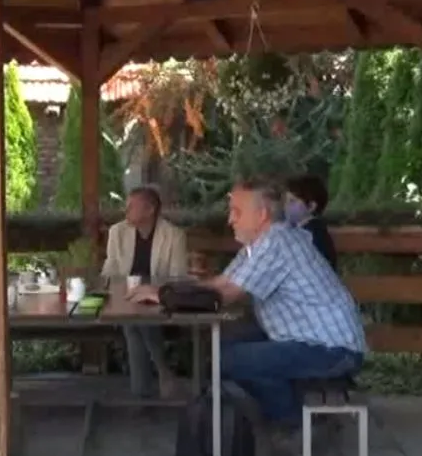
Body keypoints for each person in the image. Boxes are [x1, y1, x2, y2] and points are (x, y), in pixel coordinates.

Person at [128, 179, 366, 439]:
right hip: (305, 339)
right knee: (222, 345)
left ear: (261, 215)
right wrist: (165, 290)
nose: (230, 219)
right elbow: (221, 282)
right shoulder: (257, 246)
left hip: (330, 350)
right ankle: (278, 412)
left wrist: (161, 295)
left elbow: (223, 295)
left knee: (227, 359)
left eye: (236, 212)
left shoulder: (277, 243)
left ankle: (294, 424)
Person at [101, 186, 190, 399]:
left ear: (149, 210)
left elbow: (178, 278)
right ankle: (163, 372)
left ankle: (141, 393)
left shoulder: (174, 236)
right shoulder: (117, 232)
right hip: (124, 298)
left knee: (136, 322)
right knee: (134, 319)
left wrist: (153, 291)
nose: (125, 210)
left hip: (158, 300)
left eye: (131, 206)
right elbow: (110, 270)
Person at [284, 174, 337, 269]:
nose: (286, 205)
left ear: (311, 207)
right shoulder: (314, 229)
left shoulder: (310, 236)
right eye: (286, 200)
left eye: (292, 201)